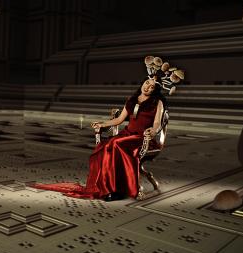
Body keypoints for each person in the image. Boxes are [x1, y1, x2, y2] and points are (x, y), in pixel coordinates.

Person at [31, 76, 167, 201]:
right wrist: (102, 124)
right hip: (127, 134)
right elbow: (119, 120)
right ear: (143, 83)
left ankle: (117, 190)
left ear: (155, 90)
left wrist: (153, 131)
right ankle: (109, 189)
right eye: (146, 83)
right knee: (107, 146)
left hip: (141, 138)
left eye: (152, 86)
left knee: (114, 144)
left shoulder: (157, 102)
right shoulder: (131, 99)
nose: (147, 87)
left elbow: (157, 123)